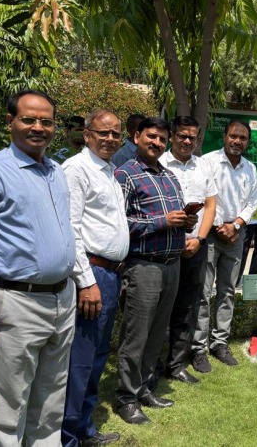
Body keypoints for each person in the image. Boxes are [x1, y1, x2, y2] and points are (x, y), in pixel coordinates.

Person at [0, 89, 76, 446]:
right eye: (29, 119)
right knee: (11, 403)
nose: (38, 128)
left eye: (46, 121)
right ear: (10, 122)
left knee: (51, 398)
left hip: (62, 298)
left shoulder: (56, 171)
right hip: (17, 302)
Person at [113, 117, 197, 425]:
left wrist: (186, 222)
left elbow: (173, 218)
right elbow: (118, 224)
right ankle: (125, 398)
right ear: (136, 136)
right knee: (136, 337)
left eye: (162, 139)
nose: (157, 143)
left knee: (156, 335)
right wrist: (164, 221)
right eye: (151, 137)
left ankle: (145, 388)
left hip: (172, 265)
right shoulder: (125, 174)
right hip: (143, 267)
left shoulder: (169, 176)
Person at [61, 110, 129, 447]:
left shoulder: (109, 172)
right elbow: (70, 230)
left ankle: (84, 429)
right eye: (103, 132)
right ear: (87, 134)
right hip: (91, 275)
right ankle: (66, 436)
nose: (110, 139)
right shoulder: (76, 169)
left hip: (110, 275)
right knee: (80, 360)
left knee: (97, 357)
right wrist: (86, 281)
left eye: (116, 133)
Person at [191, 120, 257, 372]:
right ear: (224, 136)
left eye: (243, 138)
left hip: (236, 236)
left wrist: (236, 225)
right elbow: (203, 198)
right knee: (203, 292)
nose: (237, 141)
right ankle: (198, 348)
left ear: (247, 142)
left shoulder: (250, 168)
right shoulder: (207, 162)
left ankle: (219, 343)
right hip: (210, 235)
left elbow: (253, 201)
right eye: (233, 136)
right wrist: (221, 226)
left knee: (227, 290)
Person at [159, 116, 217, 384]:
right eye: (182, 135)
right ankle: (152, 364)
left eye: (192, 137)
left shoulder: (203, 166)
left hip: (195, 247)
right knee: (160, 308)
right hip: (163, 248)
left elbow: (210, 205)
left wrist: (200, 239)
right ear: (172, 136)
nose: (186, 141)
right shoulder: (158, 163)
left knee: (187, 307)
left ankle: (176, 364)